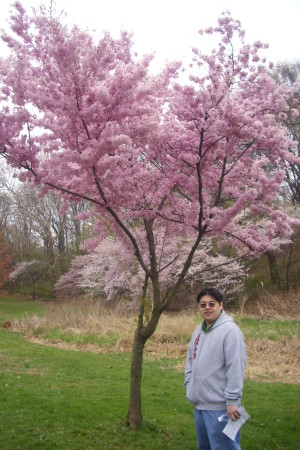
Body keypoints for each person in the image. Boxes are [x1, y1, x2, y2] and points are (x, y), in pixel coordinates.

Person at [185, 287, 247, 450]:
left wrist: (232, 401)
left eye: (211, 304)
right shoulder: (198, 330)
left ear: (221, 305)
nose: (207, 308)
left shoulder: (230, 332)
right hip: (200, 406)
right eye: (203, 305)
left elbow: (236, 367)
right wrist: (189, 385)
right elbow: (190, 360)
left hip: (221, 408)